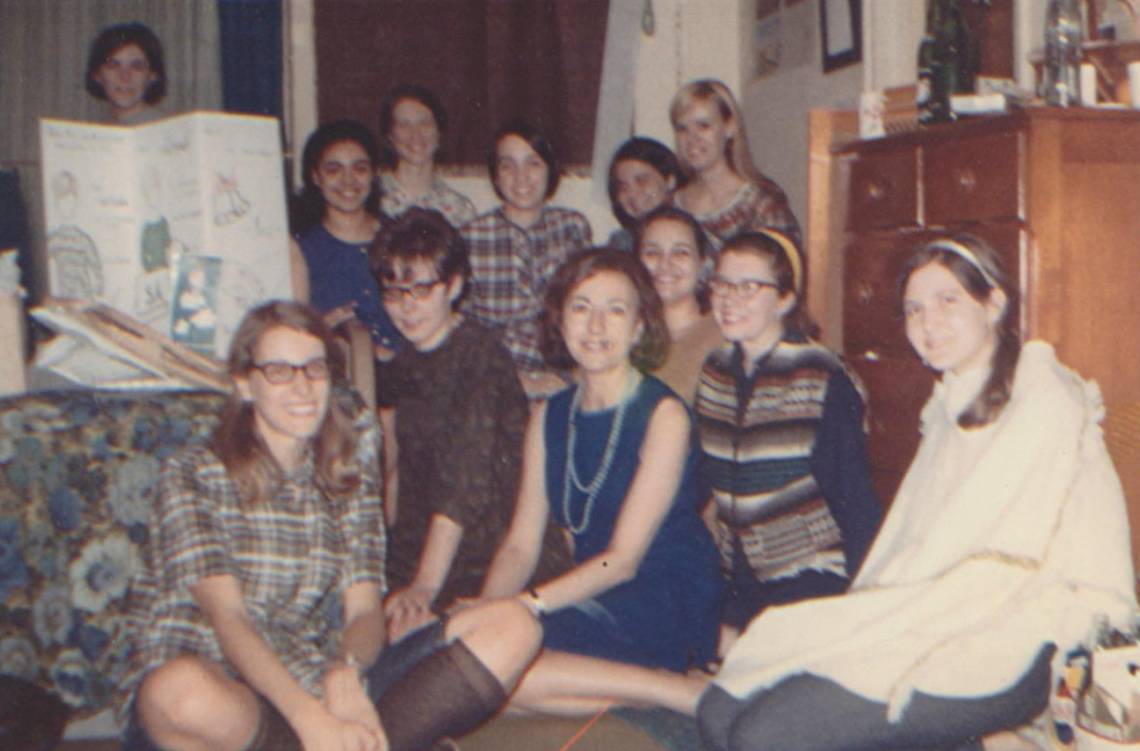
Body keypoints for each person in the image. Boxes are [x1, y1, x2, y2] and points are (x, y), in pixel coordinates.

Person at [697, 235, 1137, 751]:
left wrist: (891, 618)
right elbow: (913, 542)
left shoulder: (1040, 393)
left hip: (1023, 631)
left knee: (764, 735)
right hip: (937, 610)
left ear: (993, 303)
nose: (928, 323)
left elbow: (998, 560)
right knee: (718, 711)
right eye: (913, 309)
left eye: (948, 301)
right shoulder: (951, 402)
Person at [120, 300, 542, 751]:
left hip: (316, 675)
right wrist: (311, 720)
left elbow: (363, 611)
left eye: (314, 368)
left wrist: (345, 672)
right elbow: (228, 618)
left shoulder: (346, 470)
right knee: (179, 692)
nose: (302, 387)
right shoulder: (193, 473)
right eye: (280, 370)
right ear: (245, 384)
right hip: (224, 689)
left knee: (514, 625)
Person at [477, 248, 722, 716]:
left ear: (638, 328)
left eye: (615, 310)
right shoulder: (549, 414)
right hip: (593, 591)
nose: (595, 327)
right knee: (476, 676)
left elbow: (625, 560)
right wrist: (486, 616)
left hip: (665, 596)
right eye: (581, 307)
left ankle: (680, 693)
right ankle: (646, 692)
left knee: (509, 673)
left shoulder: (663, 414)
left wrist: (523, 609)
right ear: (560, 321)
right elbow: (519, 547)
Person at [372, 208, 569, 641]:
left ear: (454, 285)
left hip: (495, 553)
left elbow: (464, 486)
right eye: (394, 292)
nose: (406, 307)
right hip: (433, 547)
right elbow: (401, 480)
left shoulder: (479, 355)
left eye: (421, 289)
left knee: (415, 638)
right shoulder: (405, 362)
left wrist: (423, 585)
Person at [695, 229, 881, 645]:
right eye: (722, 284)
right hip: (738, 576)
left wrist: (866, 603)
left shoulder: (821, 375)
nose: (728, 299)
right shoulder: (716, 371)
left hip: (809, 573)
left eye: (748, 287)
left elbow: (854, 499)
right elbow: (697, 481)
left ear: (785, 299)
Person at [460, 118, 592, 399]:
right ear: (495, 175)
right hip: (492, 380)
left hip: (565, 373)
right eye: (508, 165)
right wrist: (514, 380)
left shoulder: (572, 227)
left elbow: (587, 308)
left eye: (533, 163)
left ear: (549, 169)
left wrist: (570, 376)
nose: (521, 177)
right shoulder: (470, 237)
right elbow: (460, 328)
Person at [290, 120, 402, 353]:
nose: (348, 180)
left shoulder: (400, 238)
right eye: (334, 169)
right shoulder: (300, 249)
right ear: (315, 177)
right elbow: (294, 335)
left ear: (374, 174)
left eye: (359, 168)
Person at [670, 79, 800, 253]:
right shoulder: (672, 206)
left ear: (729, 127)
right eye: (682, 129)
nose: (692, 139)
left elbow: (784, 270)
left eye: (703, 126)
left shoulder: (762, 204)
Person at [636, 206, 723, 404]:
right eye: (652, 253)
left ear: (702, 262)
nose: (665, 264)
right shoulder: (626, 334)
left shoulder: (721, 333)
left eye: (680, 253)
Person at [377, 84, 477, 227]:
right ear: (390, 135)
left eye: (424, 123)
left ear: (439, 132)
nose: (416, 134)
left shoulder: (460, 209)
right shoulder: (371, 199)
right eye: (404, 125)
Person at [607, 137, 683, 252]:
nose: (632, 194)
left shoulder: (692, 233)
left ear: (670, 181)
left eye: (642, 181)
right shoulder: (620, 243)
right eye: (623, 186)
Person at [85, 22, 167, 124]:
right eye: (113, 65)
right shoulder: (93, 132)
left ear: (152, 76)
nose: (125, 76)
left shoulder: (170, 130)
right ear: (97, 75)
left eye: (136, 67)